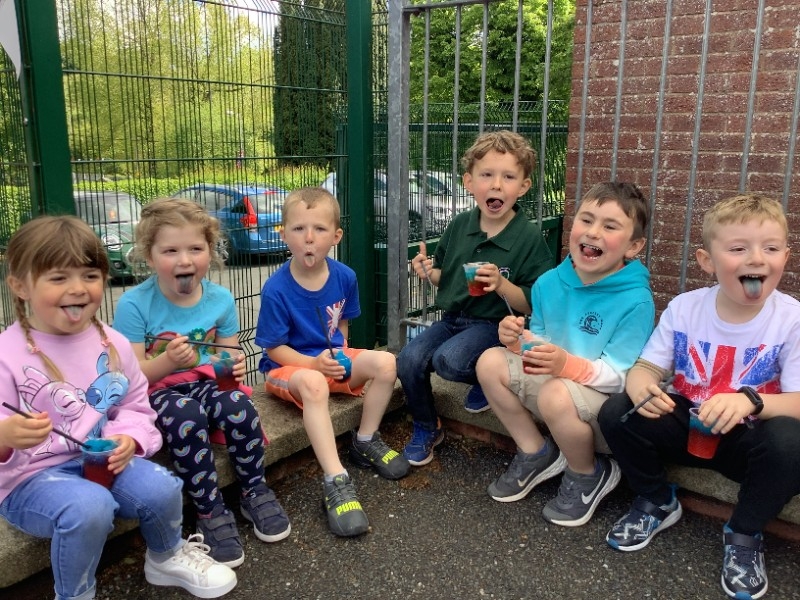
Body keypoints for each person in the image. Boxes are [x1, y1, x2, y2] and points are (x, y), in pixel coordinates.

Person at [0, 215, 237, 600]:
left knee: (161, 487)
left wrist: (127, 437)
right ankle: (75, 594)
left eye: (90, 276)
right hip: (28, 478)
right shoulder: (6, 354)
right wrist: (6, 436)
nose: (78, 289)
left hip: (101, 459)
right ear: (20, 285)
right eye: (58, 278)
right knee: (89, 507)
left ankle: (166, 556)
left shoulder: (111, 343)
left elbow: (134, 404)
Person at [598, 193, 800, 600]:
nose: (757, 259)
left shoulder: (791, 318)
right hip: (689, 425)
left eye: (770, 248)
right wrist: (641, 385)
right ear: (707, 261)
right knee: (618, 410)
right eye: (738, 249)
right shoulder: (686, 307)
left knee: (790, 441)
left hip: (748, 438)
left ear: (786, 256)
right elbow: (646, 368)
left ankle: (744, 533)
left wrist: (751, 400)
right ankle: (657, 500)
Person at [113, 198, 290, 568]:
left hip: (206, 384)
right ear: (149, 256)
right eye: (170, 251)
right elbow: (131, 377)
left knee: (239, 405)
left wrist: (234, 366)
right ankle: (209, 509)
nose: (185, 260)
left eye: (195, 248)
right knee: (187, 415)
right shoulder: (134, 304)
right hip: (158, 391)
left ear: (211, 251)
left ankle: (254, 489)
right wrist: (167, 362)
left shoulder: (220, 299)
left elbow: (226, 356)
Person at [476, 181, 654, 527]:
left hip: (603, 411)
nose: (594, 232)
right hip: (556, 391)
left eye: (610, 226)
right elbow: (542, 344)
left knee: (557, 393)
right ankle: (535, 452)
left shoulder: (636, 301)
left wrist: (565, 365)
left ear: (634, 246)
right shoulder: (548, 283)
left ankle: (587, 472)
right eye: (586, 220)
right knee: (490, 362)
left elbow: (622, 378)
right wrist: (518, 342)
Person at [255, 186, 409, 537]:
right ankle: (335, 478)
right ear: (283, 234)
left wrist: (341, 355)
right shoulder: (276, 289)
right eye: (298, 228)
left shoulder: (345, 277)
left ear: (336, 236)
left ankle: (365, 440)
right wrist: (314, 366)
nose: (309, 238)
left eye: (319, 229)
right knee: (313, 384)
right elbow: (274, 350)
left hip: (327, 360)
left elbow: (341, 325)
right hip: (288, 369)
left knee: (386, 363)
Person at [398, 130, 552, 466]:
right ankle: (427, 426)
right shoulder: (460, 225)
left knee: (449, 361)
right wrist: (427, 271)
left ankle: (489, 376)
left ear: (523, 186)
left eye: (508, 177)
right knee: (408, 359)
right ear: (469, 182)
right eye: (486, 175)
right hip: (453, 319)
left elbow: (535, 303)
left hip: (495, 327)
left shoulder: (528, 237)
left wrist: (501, 284)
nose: (496, 185)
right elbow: (443, 277)